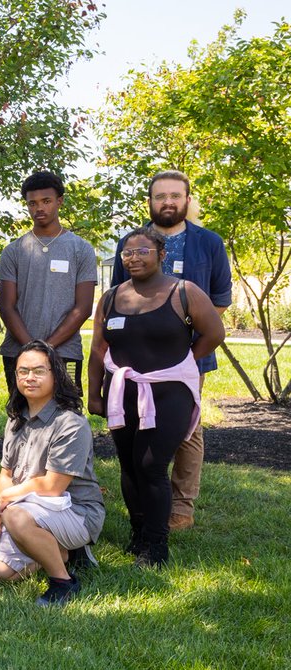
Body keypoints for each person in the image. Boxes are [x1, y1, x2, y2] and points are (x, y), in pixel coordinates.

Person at [89, 229, 225, 568]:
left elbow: (214, 333)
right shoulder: (110, 298)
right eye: (127, 253)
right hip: (123, 393)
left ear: (161, 254)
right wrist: (94, 393)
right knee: (129, 464)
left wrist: (183, 363)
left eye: (142, 251)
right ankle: (138, 533)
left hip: (169, 394)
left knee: (151, 465)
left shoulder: (183, 292)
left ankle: (156, 546)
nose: (133, 258)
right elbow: (97, 348)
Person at [110, 170, 231, 532]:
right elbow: (119, 297)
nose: (167, 202)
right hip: (139, 358)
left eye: (175, 195)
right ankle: (146, 500)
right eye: (160, 196)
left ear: (187, 200)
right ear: (149, 201)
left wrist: (184, 350)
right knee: (140, 428)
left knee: (187, 430)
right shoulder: (131, 243)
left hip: (191, 356)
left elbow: (219, 302)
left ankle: (181, 507)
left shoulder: (209, 242)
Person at [0, 340, 105, 606]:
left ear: (55, 376)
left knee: (15, 515)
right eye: (23, 371)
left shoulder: (70, 423)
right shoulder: (16, 418)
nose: (29, 378)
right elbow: (5, 475)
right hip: (30, 509)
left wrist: (8, 501)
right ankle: (60, 551)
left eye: (38, 371)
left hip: (77, 512)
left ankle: (63, 582)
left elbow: (53, 487)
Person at [0, 171, 97, 393]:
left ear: (59, 201)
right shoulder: (13, 251)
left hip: (65, 353)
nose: (39, 208)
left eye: (46, 201)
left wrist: (46, 348)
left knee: (66, 415)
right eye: (32, 203)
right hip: (18, 353)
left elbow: (83, 308)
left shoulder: (81, 249)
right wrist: (31, 350)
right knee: (20, 415)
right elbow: (7, 307)